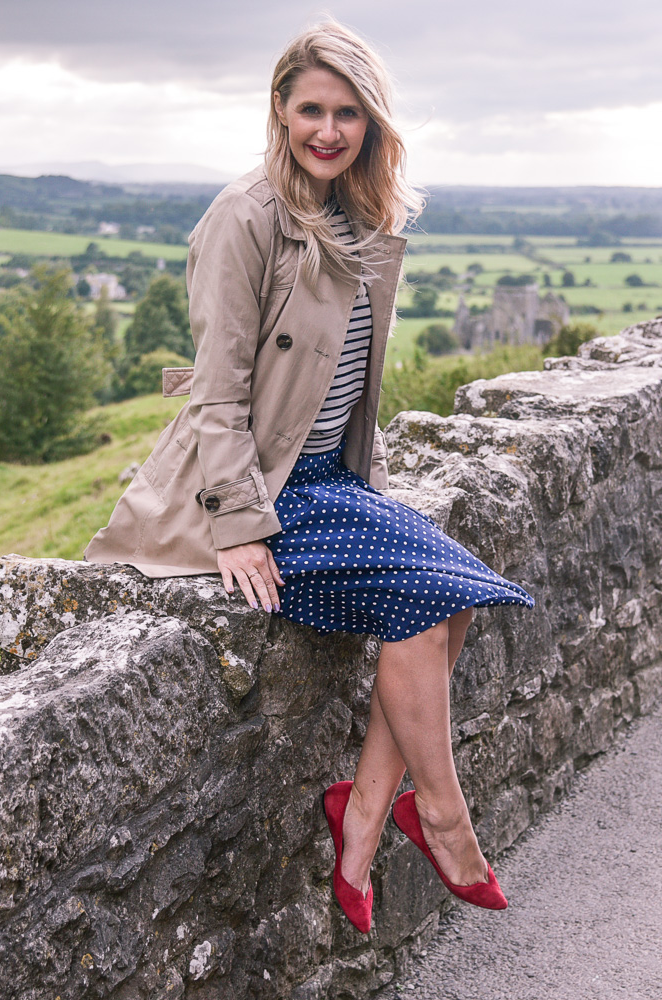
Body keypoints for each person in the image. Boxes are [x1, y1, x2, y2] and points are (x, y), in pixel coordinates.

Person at [85, 19, 534, 932]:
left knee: (452, 597)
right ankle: (439, 818)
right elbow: (218, 392)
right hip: (268, 486)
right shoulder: (246, 216)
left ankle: (364, 814)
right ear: (280, 112)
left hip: (332, 476)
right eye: (311, 111)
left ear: (372, 124)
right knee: (432, 597)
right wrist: (241, 521)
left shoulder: (359, 218)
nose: (328, 131)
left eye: (348, 114)